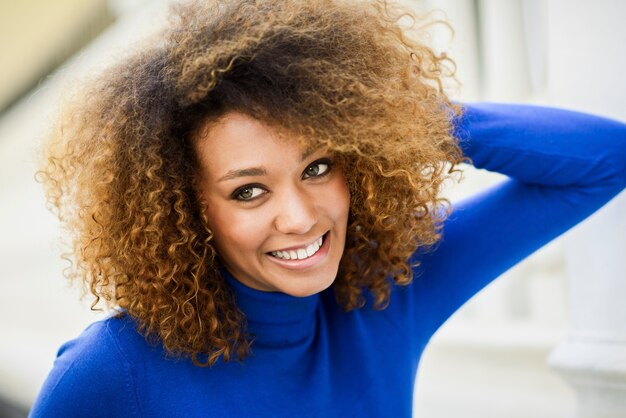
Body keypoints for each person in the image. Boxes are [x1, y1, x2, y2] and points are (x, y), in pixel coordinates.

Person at [30, 0, 626, 417]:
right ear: (188, 212)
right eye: (248, 190)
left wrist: (407, 121)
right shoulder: (112, 372)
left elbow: (604, 159)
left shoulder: (386, 297)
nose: (300, 216)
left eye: (317, 167)